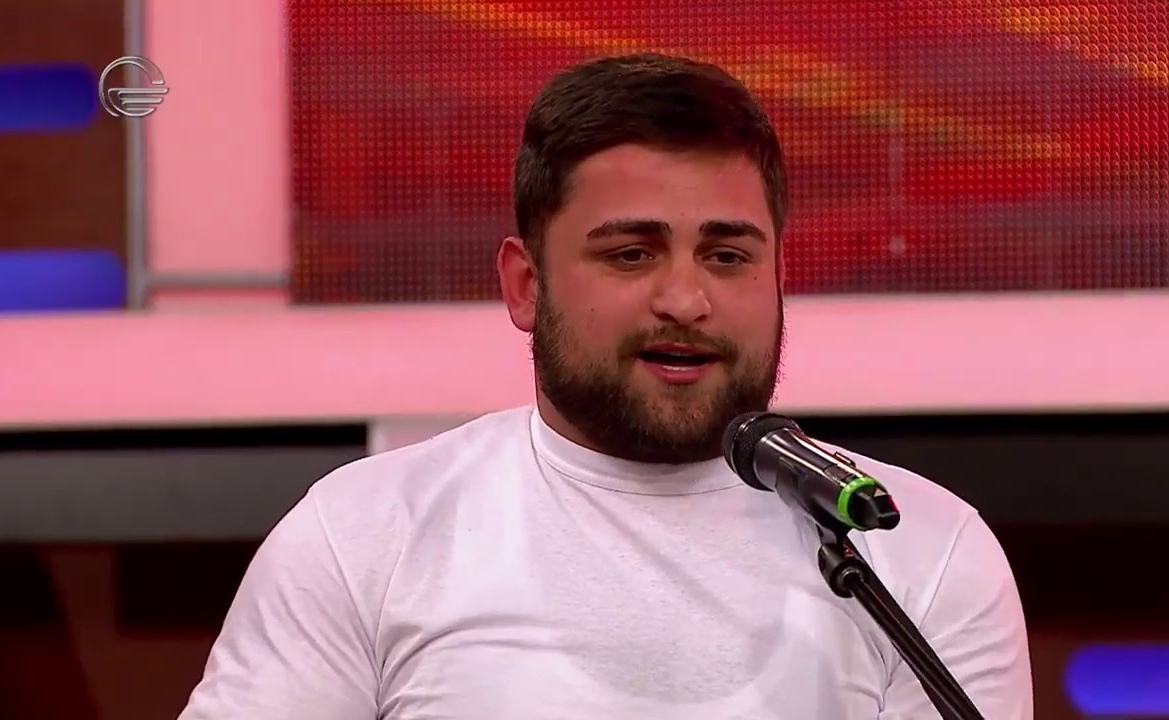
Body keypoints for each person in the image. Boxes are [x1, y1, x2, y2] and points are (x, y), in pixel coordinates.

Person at [178, 53, 1033, 719]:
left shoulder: (918, 549)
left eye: (727, 255)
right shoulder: (364, 534)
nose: (685, 299)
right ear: (526, 286)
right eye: (631, 253)